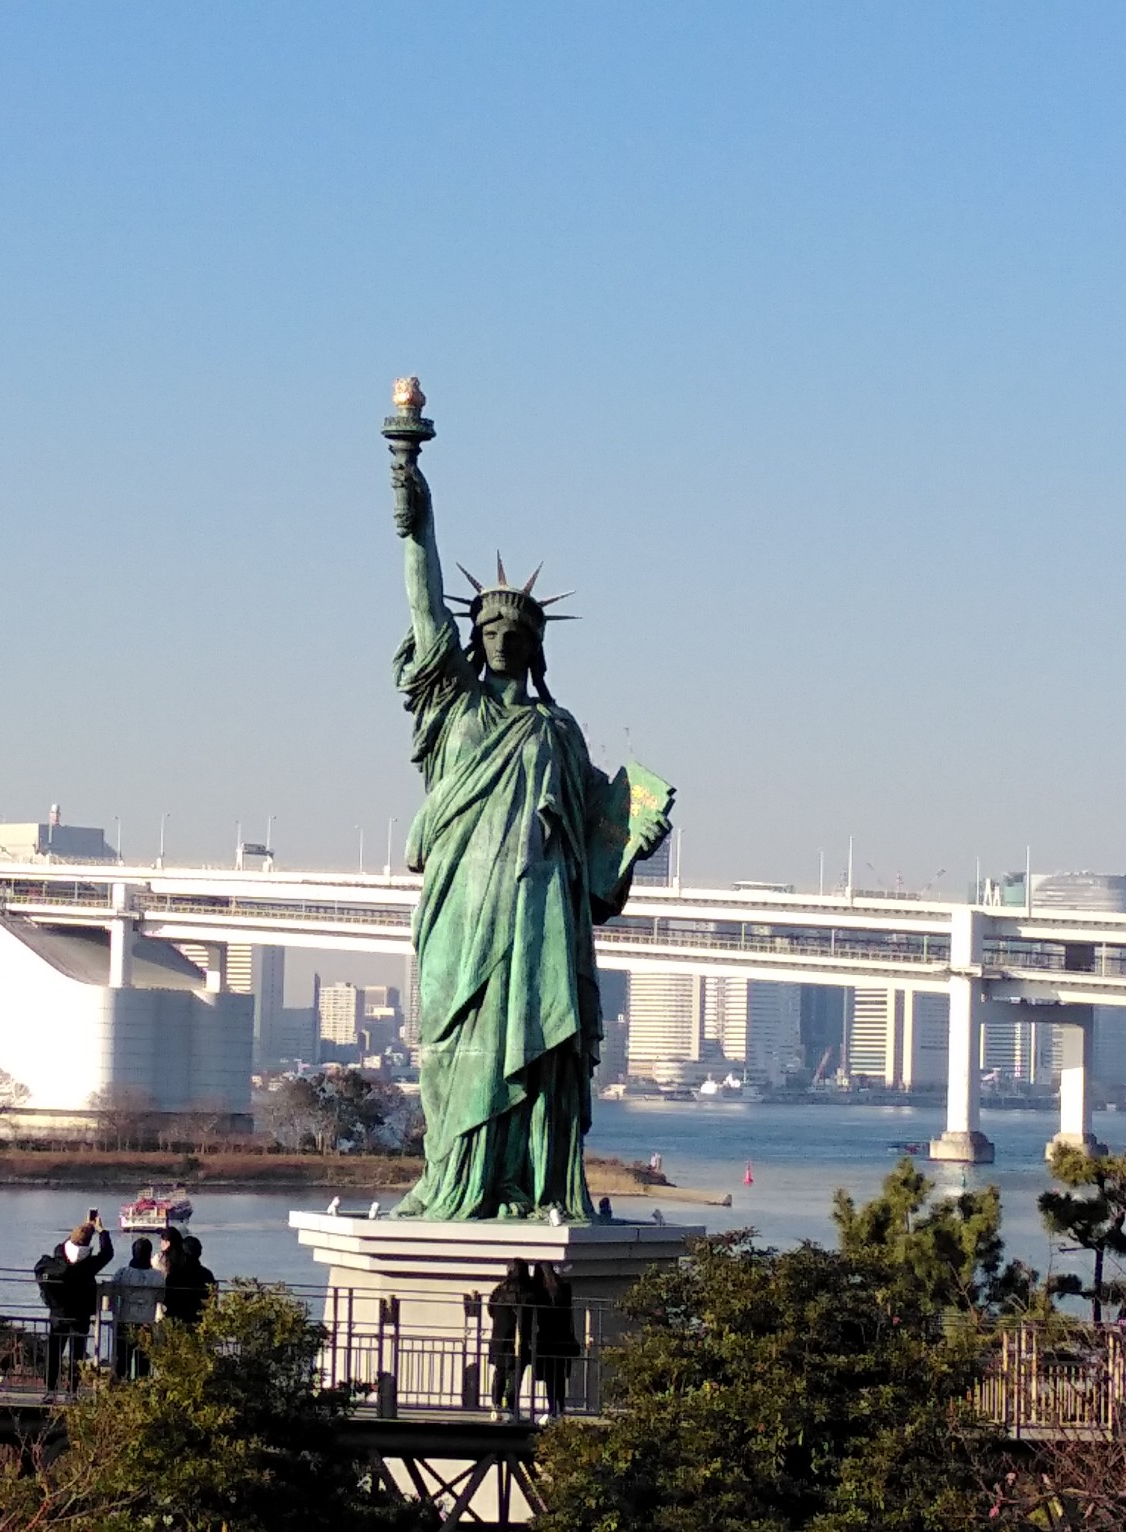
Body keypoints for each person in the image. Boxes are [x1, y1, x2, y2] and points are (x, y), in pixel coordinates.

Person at [384, 379, 672, 1222]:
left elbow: (595, 847)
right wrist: (408, 472)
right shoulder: (453, 705)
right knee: (458, 1050)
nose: (504, 635)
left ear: (536, 644)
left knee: (543, 1054)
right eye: (491, 626)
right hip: (463, 912)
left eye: (519, 628)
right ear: (475, 637)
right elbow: (422, 590)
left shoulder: (561, 731)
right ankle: (458, 1181)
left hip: (541, 919)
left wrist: (636, 837)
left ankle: (533, 1185)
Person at [34, 1217, 114, 1400]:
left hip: (58, 1313)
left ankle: (50, 1390)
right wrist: (101, 1231)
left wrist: (76, 1234)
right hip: (81, 1314)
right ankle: (72, 1392)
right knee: (77, 1355)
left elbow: (63, 1248)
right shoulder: (89, 1265)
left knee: (54, 1352)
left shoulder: (58, 1259)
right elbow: (107, 1253)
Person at [485, 1259, 539, 1420]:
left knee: (499, 1372)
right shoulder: (528, 1293)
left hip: (499, 1338)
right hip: (519, 1340)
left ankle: (496, 1406)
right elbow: (532, 1316)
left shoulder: (499, 1290)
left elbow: (491, 1310)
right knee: (515, 1374)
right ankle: (511, 1406)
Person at [109, 1236, 164, 1381]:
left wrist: (113, 1312)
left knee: (121, 1360)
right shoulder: (158, 1276)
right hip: (147, 1322)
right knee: (144, 1363)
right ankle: (141, 1392)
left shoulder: (122, 1273)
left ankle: (120, 1391)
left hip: (125, 1320)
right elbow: (161, 1299)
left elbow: (113, 1295)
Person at [531, 1262, 579, 1419]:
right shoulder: (564, 1289)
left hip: (546, 1339)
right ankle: (561, 1406)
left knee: (549, 1377)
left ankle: (552, 1408)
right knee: (559, 1376)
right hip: (563, 1338)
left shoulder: (538, 1292)